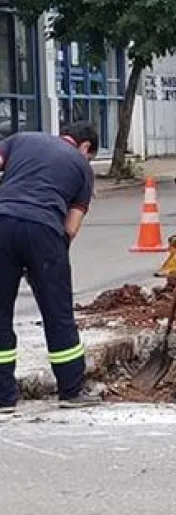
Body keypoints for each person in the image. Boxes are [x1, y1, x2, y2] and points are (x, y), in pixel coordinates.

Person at [0, 121, 100, 413]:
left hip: (2, 222)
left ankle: (3, 397)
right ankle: (71, 390)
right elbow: (71, 226)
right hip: (45, 231)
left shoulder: (21, 139)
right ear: (85, 147)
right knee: (58, 313)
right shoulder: (82, 168)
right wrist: (45, 265)